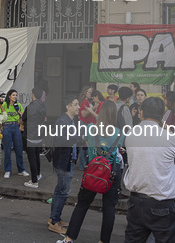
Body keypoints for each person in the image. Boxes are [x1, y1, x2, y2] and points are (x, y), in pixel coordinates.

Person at [57, 101, 122, 243]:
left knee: (82, 205)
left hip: (93, 171)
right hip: (111, 173)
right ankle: (103, 241)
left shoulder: (91, 128)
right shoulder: (119, 133)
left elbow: (87, 144)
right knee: (109, 208)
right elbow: (120, 149)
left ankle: (69, 239)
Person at [124, 97, 175, 243]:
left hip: (135, 201)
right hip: (162, 202)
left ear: (141, 112)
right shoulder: (170, 137)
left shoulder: (130, 134)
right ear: (163, 114)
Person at [49, 95, 82, 235]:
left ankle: (55, 218)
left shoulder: (72, 120)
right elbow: (60, 141)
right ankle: (54, 222)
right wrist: (77, 136)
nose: (78, 107)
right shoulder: (62, 121)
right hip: (63, 161)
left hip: (68, 159)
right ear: (68, 107)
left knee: (59, 190)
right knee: (63, 191)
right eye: (75, 104)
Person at [0, 89, 29, 178]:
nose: (15, 97)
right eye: (13, 95)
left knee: (19, 148)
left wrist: (21, 118)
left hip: (16, 127)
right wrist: (0, 126)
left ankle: (21, 169)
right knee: (7, 149)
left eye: (16, 95)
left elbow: (23, 117)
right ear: (9, 96)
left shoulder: (18, 105)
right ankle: (7, 170)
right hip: (7, 126)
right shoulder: (4, 105)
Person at [22, 86, 46, 188]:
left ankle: (34, 181)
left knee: (31, 158)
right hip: (39, 134)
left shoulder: (30, 107)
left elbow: (24, 118)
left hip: (31, 134)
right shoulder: (43, 106)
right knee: (37, 156)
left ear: (34, 95)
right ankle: (38, 174)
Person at [78, 86, 96, 171]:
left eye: (91, 92)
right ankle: (82, 164)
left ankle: (83, 164)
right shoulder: (85, 102)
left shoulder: (88, 101)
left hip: (87, 124)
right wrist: (93, 108)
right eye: (89, 92)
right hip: (84, 124)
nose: (90, 94)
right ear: (85, 92)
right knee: (84, 145)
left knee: (86, 145)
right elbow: (84, 114)